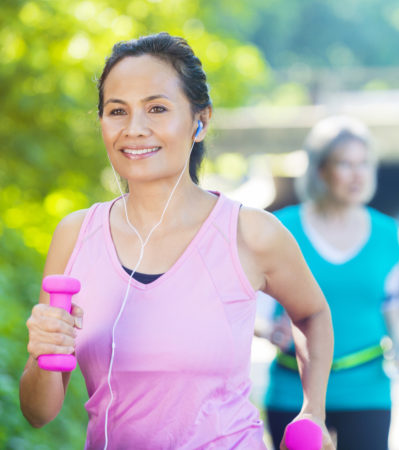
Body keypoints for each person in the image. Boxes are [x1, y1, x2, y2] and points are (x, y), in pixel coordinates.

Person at [19, 32, 334, 450]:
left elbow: (312, 314)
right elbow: (39, 413)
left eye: (157, 108)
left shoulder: (250, 233)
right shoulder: (76, 235)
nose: (134, 128)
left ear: (200, 121)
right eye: (117, 111)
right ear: (101, 124)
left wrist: (313, 409)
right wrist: (43, 353)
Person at [258, 116, 399, 450]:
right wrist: (267, 329)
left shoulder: (389, 233)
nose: (358, 174)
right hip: (294, 393)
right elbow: (250, 308)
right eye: (345, 163)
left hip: (368, 389)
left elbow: (390, 301)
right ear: (319, 170)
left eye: (364, 163)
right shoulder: (280, 229)